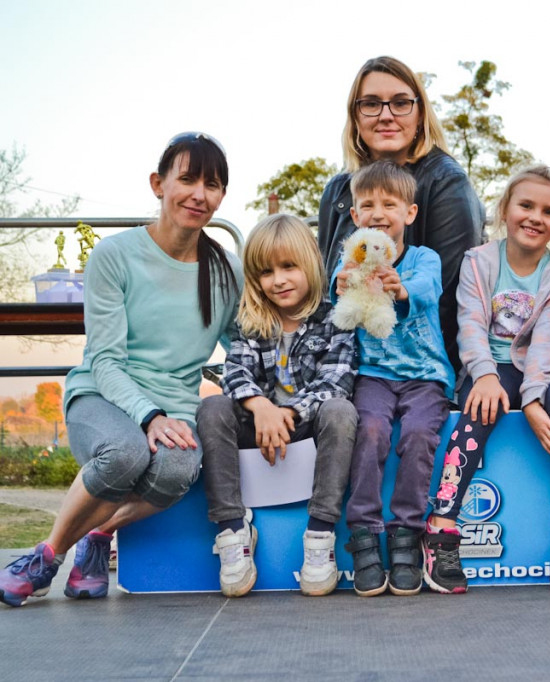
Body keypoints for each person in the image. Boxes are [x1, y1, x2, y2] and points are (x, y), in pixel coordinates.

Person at [0, 132, 242, 607]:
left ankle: (98, 537)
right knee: (127, 453)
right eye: (187, 179)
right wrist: (150, 416)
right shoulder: (114, 255)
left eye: (211, 185)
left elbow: (243, 345)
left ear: (221, 196)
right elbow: (106, 360)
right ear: (158, 183)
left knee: (177, 469)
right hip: (103, 396)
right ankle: (48, 555)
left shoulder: (227, 270)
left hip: (174, 408)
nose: (199, 194)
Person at [420, 165, 550, 594]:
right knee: (480, 411)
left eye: (549, 211)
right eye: (526, 205)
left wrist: (533, 401)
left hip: (541, 368)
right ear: (505, 209)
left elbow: (548, 346)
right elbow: (471, 326)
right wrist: (483, 376)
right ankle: (442, 525)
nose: (536, 217)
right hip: (486, 370)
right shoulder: (478, 263)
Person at [197, 214, 358, 597]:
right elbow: (234, 370)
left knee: (341, 411)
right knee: (213, 407)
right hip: (258, 425)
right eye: (266, 272)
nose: (278, 280)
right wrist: (262, 408)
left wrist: (288, 412)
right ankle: (233, 531)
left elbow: (336, 380)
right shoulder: (253, 319)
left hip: (304, 426)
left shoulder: (336, 317)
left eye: (289, 267)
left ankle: (320, 536)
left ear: (311, 265)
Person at [328, 161, 454, 598]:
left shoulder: (424, 258)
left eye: (389, 203)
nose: (378, 212)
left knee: (419, 435)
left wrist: (398, 287)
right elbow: (337, 290)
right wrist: (343, 283)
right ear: (356, 216)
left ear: (410, 213)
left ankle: (406, 533)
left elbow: (424, 289)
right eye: (368, 205)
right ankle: (363, 533)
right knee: (372, 431)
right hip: (374, 375)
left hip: (424, 375)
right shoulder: (350, 258)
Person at [319, 55, 486, 375]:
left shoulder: (445, 182)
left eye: (400, 103)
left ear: (420, 112)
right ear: (355, 115)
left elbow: (450, 298)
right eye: (370, 104)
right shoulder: (338, 190)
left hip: (418, 367)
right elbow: (324, 285)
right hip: (347, 363)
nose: (385, 115)